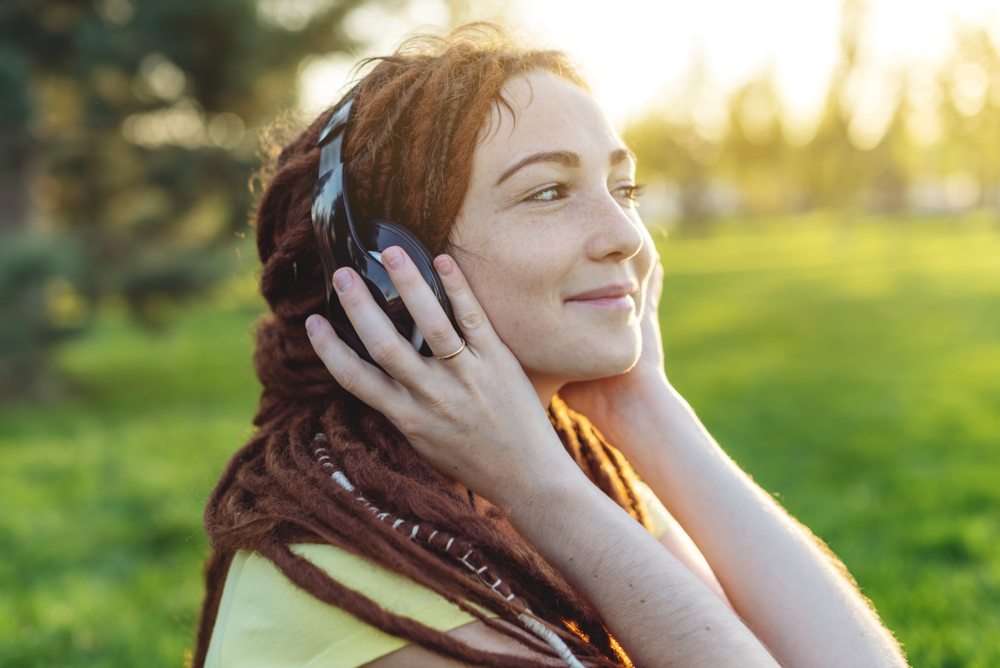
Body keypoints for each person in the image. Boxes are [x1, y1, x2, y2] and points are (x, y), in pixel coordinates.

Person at [193, 23, 908, 668]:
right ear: (390, 276)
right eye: (548, 193)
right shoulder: (348, 573)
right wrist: (540, 487)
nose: (626, 235)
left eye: (624, 188)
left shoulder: (568, 467)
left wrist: (645, 411)